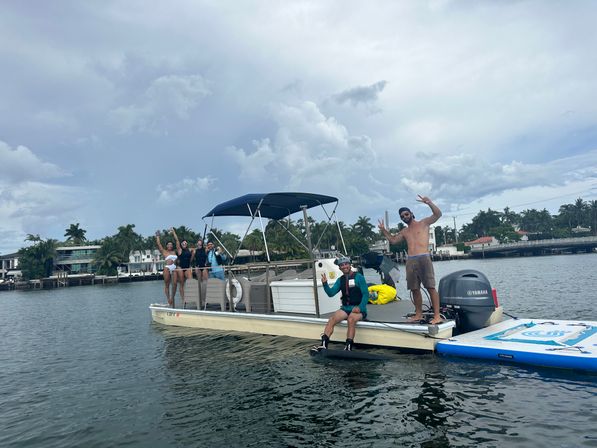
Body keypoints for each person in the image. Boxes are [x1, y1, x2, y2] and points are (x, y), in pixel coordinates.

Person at [378, 195, 443, 324]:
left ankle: (437, 316)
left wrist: (429, 202)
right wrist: (383, 230)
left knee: (430, 287)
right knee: (414, 288)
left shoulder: (423, 223)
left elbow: (438, 214)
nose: (404, 217)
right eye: (402, 216)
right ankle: (418, 314)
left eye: (406, 214)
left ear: (411, 214)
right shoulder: (405, 231)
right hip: (411, 260)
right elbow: (393, 240)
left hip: (424, 258)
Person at [315, 256, 369, 351]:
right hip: (346, 308)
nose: (344, 266)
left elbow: (365, 294)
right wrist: (325, 284)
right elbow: (331, 293)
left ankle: (348, 346)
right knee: (332, 319)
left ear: (350, 265)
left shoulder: (359, 277)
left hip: (358, 309)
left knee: (351, 319)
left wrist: (360, 307)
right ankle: (324, 344)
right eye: (341, 265)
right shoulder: (340, 280)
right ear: (339, 268)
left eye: (346, 264)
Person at [155, 229, 179, 308]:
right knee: (167, 284)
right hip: (167, 268)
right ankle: (168, 298)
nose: (169, 245)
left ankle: (172, 297)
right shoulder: (164, 251)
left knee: (175, 283)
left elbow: (177, 241)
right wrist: (158, 236)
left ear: (172, 246)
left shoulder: (174, 252)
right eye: (168, 244)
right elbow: (158, 244)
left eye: (171, 244)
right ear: (167, 246)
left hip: (174, 267)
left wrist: (174, 232)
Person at [176, 234, 193, 304]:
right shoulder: (179, 250)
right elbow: (177, 240)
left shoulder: (189, 250)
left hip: (187, 267)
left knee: (191, 281)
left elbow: (197, 249)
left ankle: (190, 297)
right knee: (182, 284)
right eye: (183, 243)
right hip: (180, 267)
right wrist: (174, 232)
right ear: (181, 244)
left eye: (185, 243)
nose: (184, 244)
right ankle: (183, 300)